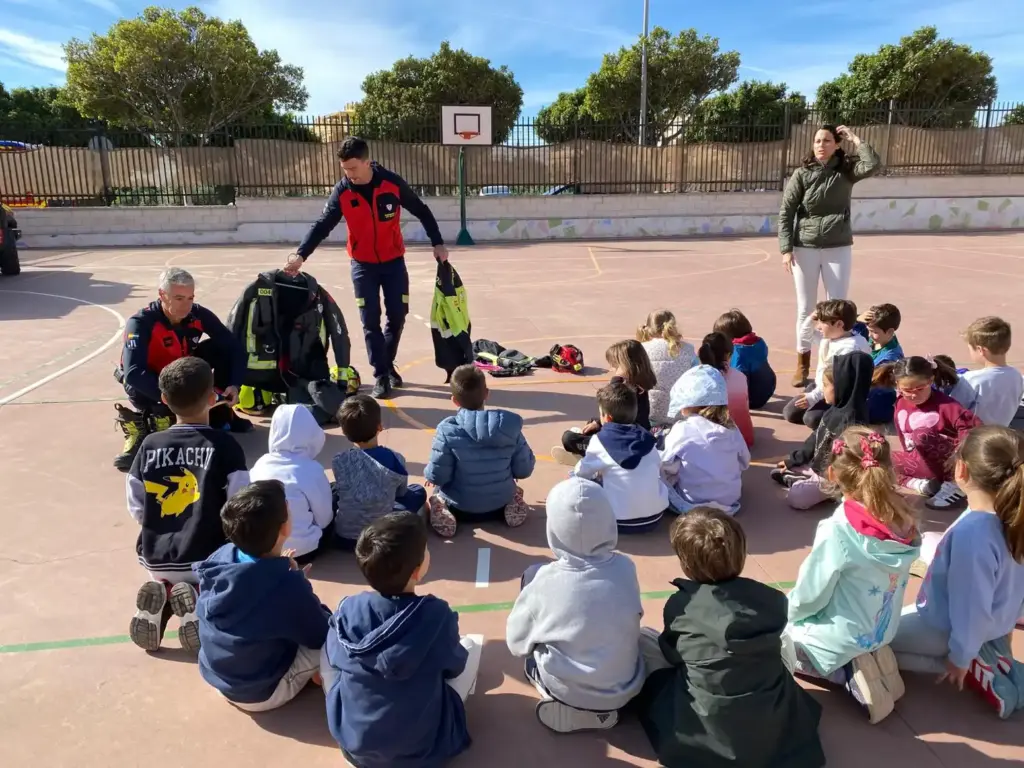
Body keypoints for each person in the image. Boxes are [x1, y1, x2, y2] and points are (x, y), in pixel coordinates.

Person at [635, 508, 826, 768]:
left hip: (704, 729)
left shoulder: (681, 605)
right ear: (741, 552)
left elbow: (672, 654)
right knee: (785, 645)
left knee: (644, 638)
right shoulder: (771, 599)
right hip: (772, 725)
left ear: (686, 562)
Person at [285, 136, 450, 400]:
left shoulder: (391, 183)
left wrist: (438, 243)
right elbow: (322, 224)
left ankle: (386, 363)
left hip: (394, 262)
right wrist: (301, 255)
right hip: (363, 265)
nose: (349, 174)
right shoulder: (342, 191)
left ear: (366, 162)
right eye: (344, 170)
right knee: (369, 320)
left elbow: (421, 210)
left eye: (353, 168)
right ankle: (381, 375)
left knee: (398, 315)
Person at [321, 513, 482, 768]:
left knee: (330, 649)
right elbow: (454, 667)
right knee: (472, 646)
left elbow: (336, 656)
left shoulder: (349, 608)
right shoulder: (436, 614)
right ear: (417, 570)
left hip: (358, 751)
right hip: (423, 752)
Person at [784, 426, 920, 724]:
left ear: (833, 474)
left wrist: (787, 613)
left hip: (843, 637)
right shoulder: (905, 519)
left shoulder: (839, 529)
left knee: (778, 639)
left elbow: (810, 595)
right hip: (882, 629)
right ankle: (875, 658)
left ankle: (845, 672)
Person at [889, 426, 1024, 719]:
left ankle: (975, 663)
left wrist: (961, 656)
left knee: (871, 645)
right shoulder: (1014, 516)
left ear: (961, 470)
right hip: (995, 623)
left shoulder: (974, 532)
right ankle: (989, 652)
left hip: (947, 627)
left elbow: (970, 605)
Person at [126, 357, 250, 653]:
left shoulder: (150, 445)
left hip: (156, 556)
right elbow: (240, 505)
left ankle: (166, 594)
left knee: (164, 568)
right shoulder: (224, 445)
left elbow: (136, 504)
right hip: (206, 558)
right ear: (212, 398)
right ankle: (199, 598)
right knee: (245, 571)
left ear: (164, 400)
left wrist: (157, 522)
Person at [506, 477, 645, 733]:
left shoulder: (543, 580)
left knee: (533, 658)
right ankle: (609, 709)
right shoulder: (626, 567)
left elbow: (517, 644)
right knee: (641, 636)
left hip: (570, 690)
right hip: (627, 685)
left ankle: (574, 708)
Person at [194, 480, 332, 712]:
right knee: (336, 641)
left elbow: (257, 587)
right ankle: (333, 689)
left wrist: (283, 572)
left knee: (273, 620)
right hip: (261, 693)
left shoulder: (220, 557)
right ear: (283, 528)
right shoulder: (287, 587)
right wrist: (299, 582)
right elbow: (321, 632)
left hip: (217, 675)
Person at [114, 267, 250, 471]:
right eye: (178, 298)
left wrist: (234, 384)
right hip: (151, 384)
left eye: (190, 298)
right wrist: (177, 398)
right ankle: (146, 425)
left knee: (221, 349)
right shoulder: (140, 323)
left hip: (181, 374)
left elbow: (235, 348)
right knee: (157, 414)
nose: (186, 305)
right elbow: (133, 373)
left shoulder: (197, 314)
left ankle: (221, 415)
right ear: (162, 295)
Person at [779, 124, 882, 388]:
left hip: (838, 246)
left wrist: (856, 139)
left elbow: (871, 165)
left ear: (836, 144)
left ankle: (829, 362)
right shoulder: (802, 174)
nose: (820, 145)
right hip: (805, 246)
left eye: (826, 141)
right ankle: (803, 364)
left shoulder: (846, 171)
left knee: (837, 307)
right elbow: (787, 211)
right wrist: (786, 248)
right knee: (806, 308)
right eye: (817, 141)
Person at [424, 364, 535, 537]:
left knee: (437, 491)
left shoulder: (447, 430)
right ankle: (513, 503)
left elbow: (438, 475)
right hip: (500, 503)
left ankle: (440, 507)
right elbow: (524, 470)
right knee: (511, 487)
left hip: (461, 508)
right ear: (487, 393)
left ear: (454, 400)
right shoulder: (509, 427)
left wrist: (429, 474)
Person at [772, 352, 874, 510]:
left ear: (843, 386)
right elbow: (816, 437)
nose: (823, 390)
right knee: (790, 468)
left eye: (826, 385)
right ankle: (803, 479)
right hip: (820, 467)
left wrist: (823, 479)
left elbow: (845, 465)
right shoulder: (836, 408)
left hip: (834, 476)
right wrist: (794, 459)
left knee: (796, 498)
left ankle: (808, 485)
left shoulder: (852, 421)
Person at [571, 381, 669, 533]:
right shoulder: (649, 440)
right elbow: (658, 466)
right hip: (654, 518)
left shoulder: (599, 440)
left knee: (583, 481)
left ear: (607, 418)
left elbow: (581, 474)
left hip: (616, 521)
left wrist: (575, 473)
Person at [332, 394, 427, 548]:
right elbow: (401, 493)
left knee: (335, 490)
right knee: (418, 491)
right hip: (378, 535)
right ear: (379, 427)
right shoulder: (395, 458)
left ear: (344, 432)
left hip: (344, 537)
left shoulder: (339, 460)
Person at [890, 356, 981, 509]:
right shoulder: (900, 402)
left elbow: (974, 428)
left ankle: (955, 484)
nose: (913, 394)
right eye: (907, 390)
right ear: (897, 384)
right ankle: (923, 485)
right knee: (876, 456)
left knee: (921, 434)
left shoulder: (946, 405)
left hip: (948, 463)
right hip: (920, 461)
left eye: (920, 388)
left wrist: (959, 454)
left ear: (931, 381)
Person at [249, 404, 334, 563]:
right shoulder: (311, 468)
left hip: (263, 549)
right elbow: (325, 519)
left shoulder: (261, 464)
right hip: (303, 552)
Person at [662, 365, 750, 515]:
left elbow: (666, 465)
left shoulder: (682, 429)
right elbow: (745, 462)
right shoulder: (731, 428)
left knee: (660, 472)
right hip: (729, 501)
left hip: (691, 500)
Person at [554, 339, 658, 462]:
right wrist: (596, 423)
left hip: (620, 440)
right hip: (639, 436)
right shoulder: (641, 384)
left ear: (625, 365)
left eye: (615, 365)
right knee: (590, 427)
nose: (613, 368)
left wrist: (616, 380)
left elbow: (610, 421)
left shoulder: (620, 387)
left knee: (569, 437)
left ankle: (592, 455)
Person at [784, 299, 871, 429]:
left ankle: (842, 420)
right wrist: (811, 318)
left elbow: (835, 381)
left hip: (838, 395)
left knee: (811, 419)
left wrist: (813, 397)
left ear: (839, 324)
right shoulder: (831, 337)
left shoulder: (850, 349)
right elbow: (804, 335)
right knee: (790, 413)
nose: (818, 326)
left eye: (822, 322)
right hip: (822, 387)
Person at [637, 309, 698, 426]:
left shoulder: (641, 349)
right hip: (680, 417)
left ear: (649, 328)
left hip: (648, 415)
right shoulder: (688, 350)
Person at [961, 316, 1023, 427]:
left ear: (981, 350)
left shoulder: (970, 380)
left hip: (975, 438)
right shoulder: (1017, 376)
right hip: (1003, 433)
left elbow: (953, 408)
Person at [698, 332, 754, 448]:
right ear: (728, 355)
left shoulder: (698, 378)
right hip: (743, 438)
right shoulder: (740, 376)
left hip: (711, 442)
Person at [713, 308, 776, 410]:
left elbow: (740, 381)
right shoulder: (759, 341)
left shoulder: (738, 353)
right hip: (769, 386)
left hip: (754, 399)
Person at [852, 303, 905, 424]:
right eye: (868, 330)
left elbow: (871, 380)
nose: (869, 335)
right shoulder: (878, 336)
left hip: (878, 396)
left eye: (874, 332)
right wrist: (856, 318)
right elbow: (844, 324)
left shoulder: (891, 357)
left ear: (890, 331)